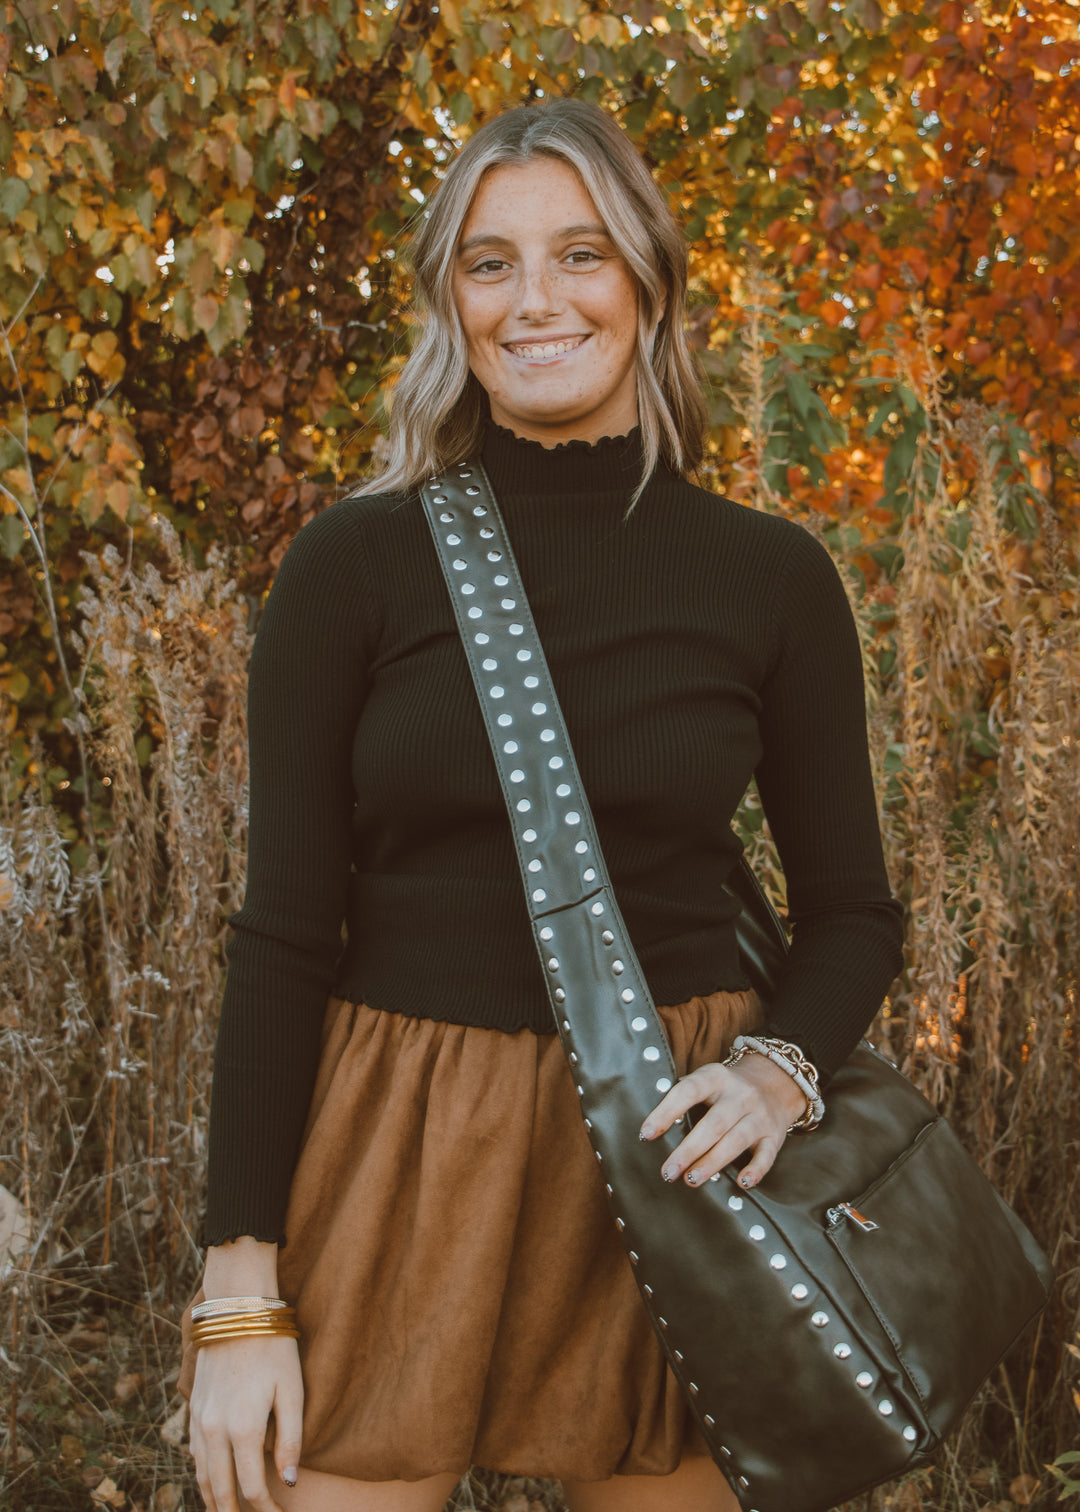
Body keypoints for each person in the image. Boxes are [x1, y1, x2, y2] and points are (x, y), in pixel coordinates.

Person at [177, 97, 905, 1512]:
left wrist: (779, 1070)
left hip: (665, 1150)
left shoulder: (770, 579)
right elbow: (278, 937)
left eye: (580, 253)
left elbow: (856, 913)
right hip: (396, 1137)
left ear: (646, 280)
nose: (536, 300)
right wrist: (239, 1296)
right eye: (489, 263)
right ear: (452, 300)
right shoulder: (355, 563)